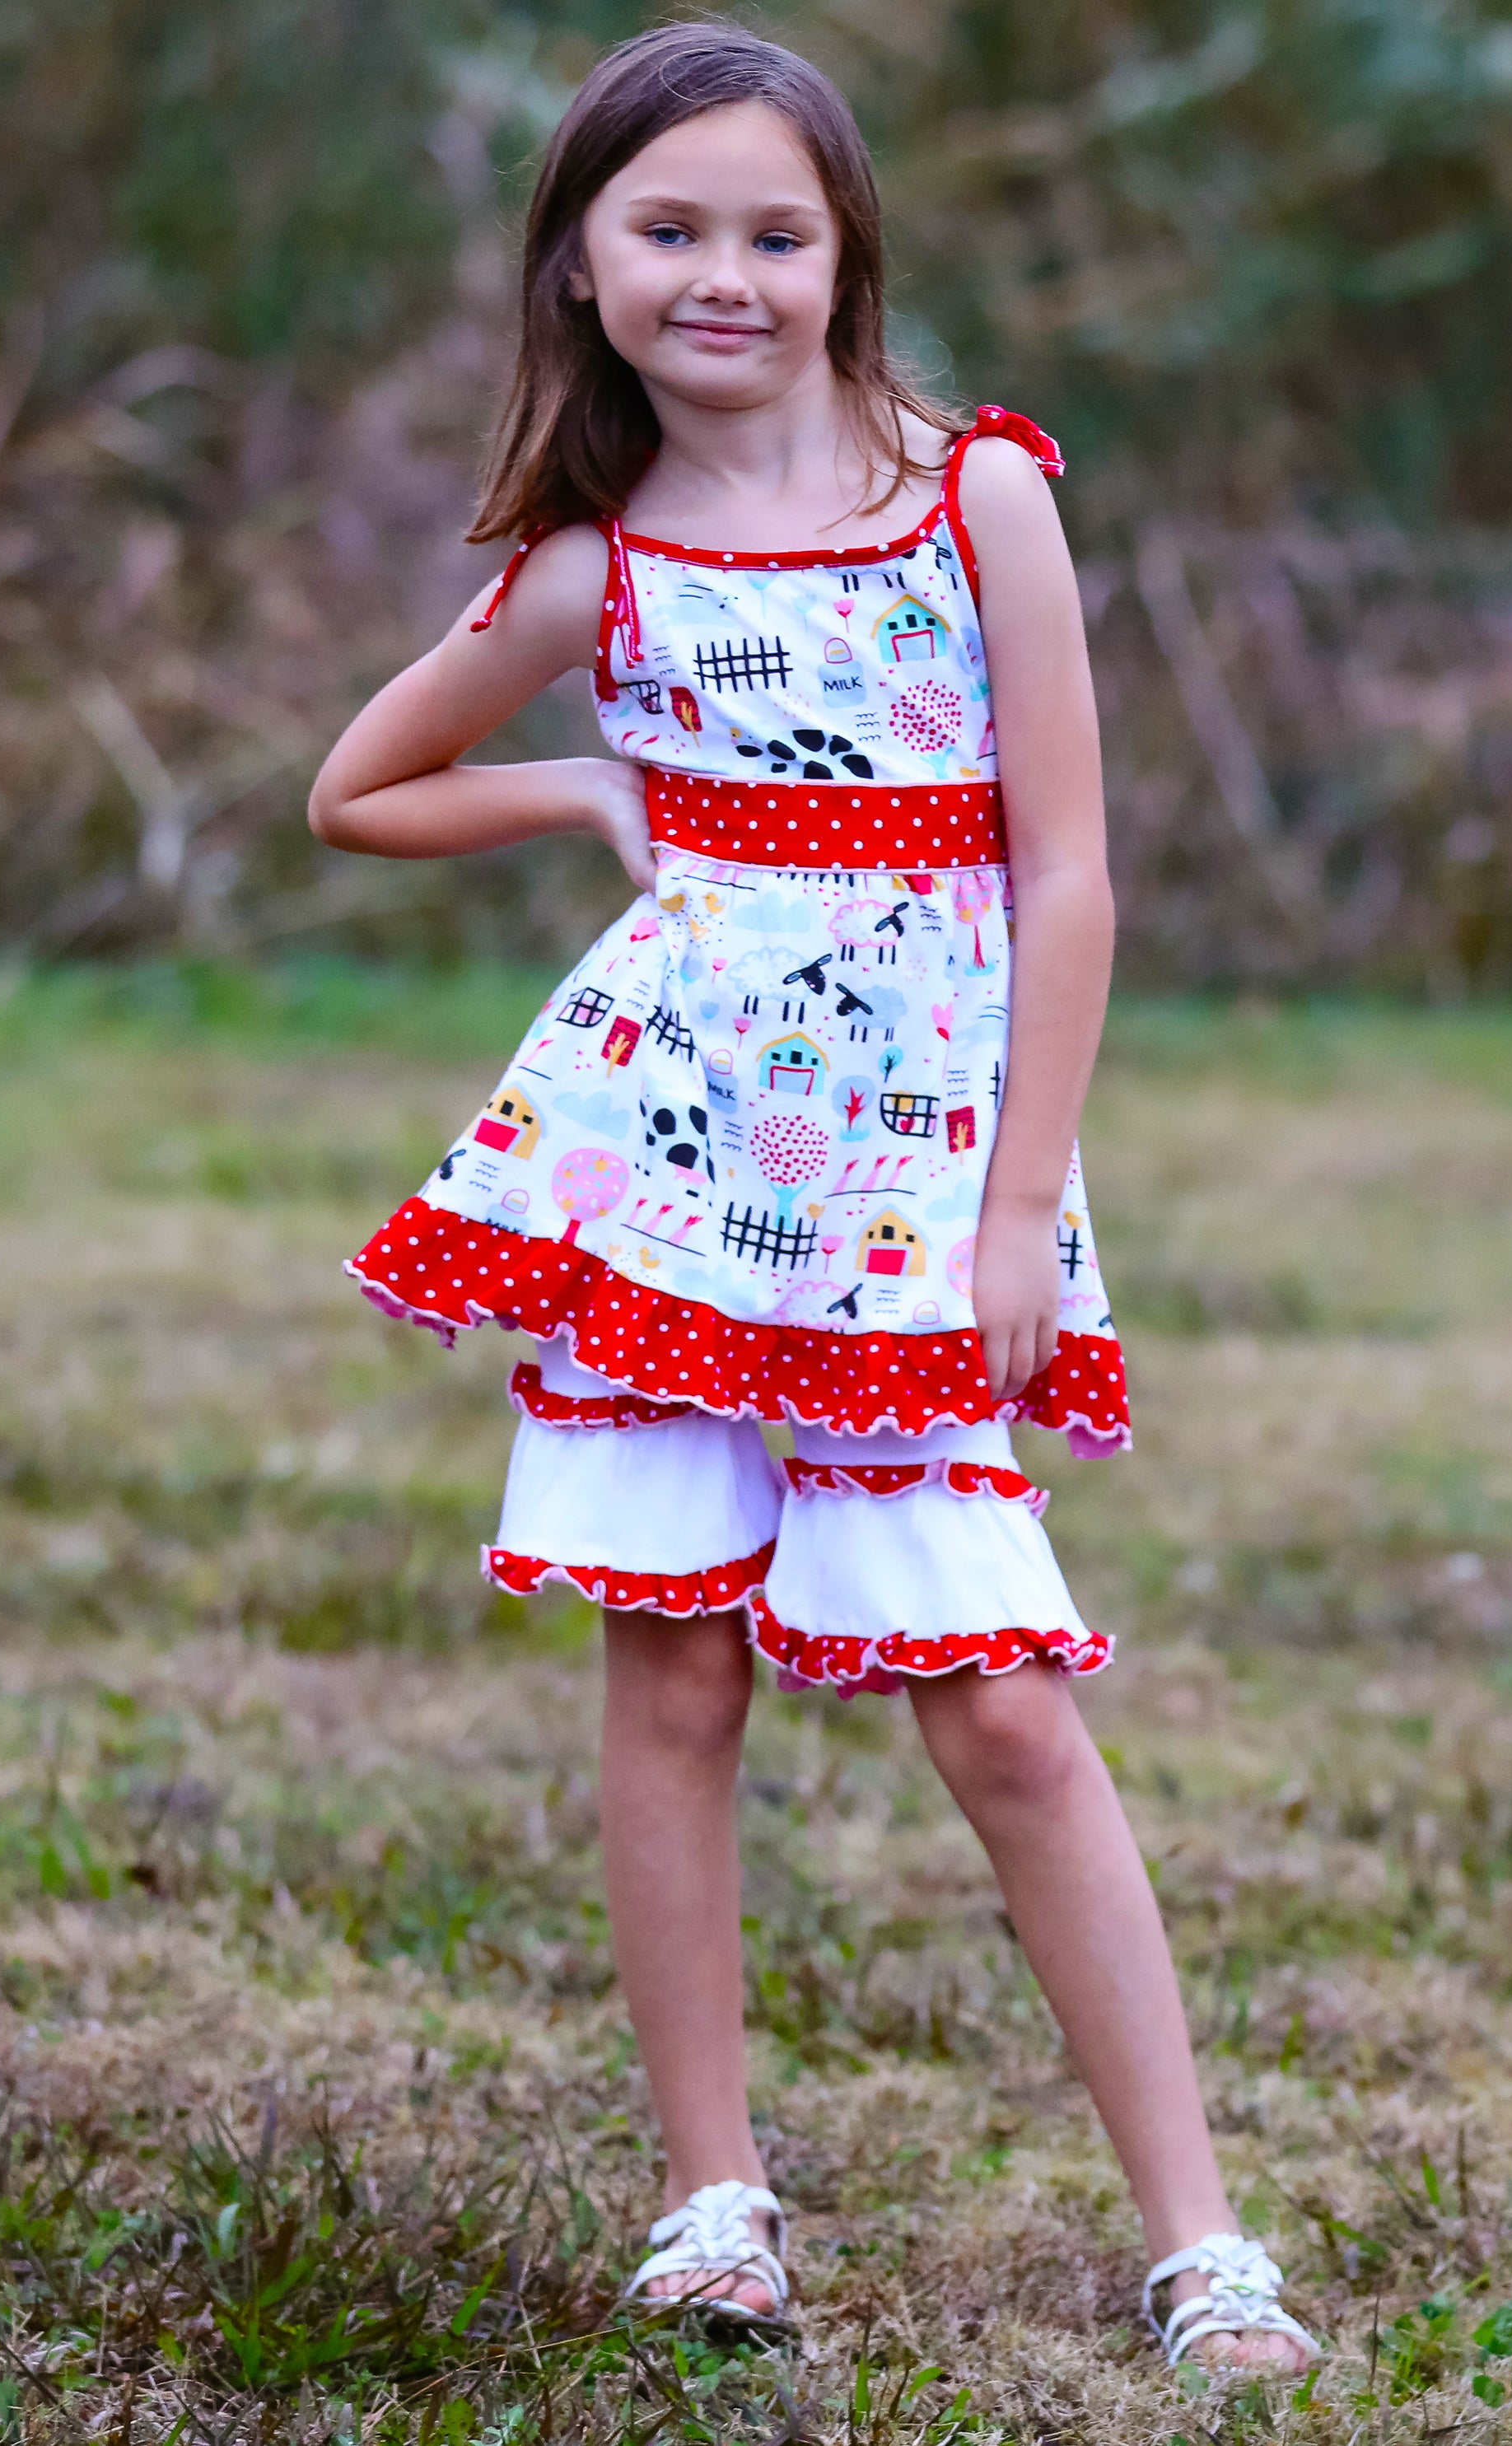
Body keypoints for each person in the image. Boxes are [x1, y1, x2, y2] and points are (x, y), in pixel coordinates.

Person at [308, 21, 1318, 2383]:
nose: (723, 274)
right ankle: (712, 2203)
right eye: (669, 229)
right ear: (581, 260)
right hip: (663, 1184)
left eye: (773, 229)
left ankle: (1198, 2241)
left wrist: (1016, 1208)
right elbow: (357, 788)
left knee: (996, 1705)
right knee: (668, 1667)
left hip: (911, 1180)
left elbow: (1064, 870)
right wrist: (579, 792)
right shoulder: (595, 560)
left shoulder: (976, 493)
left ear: (845, 247)